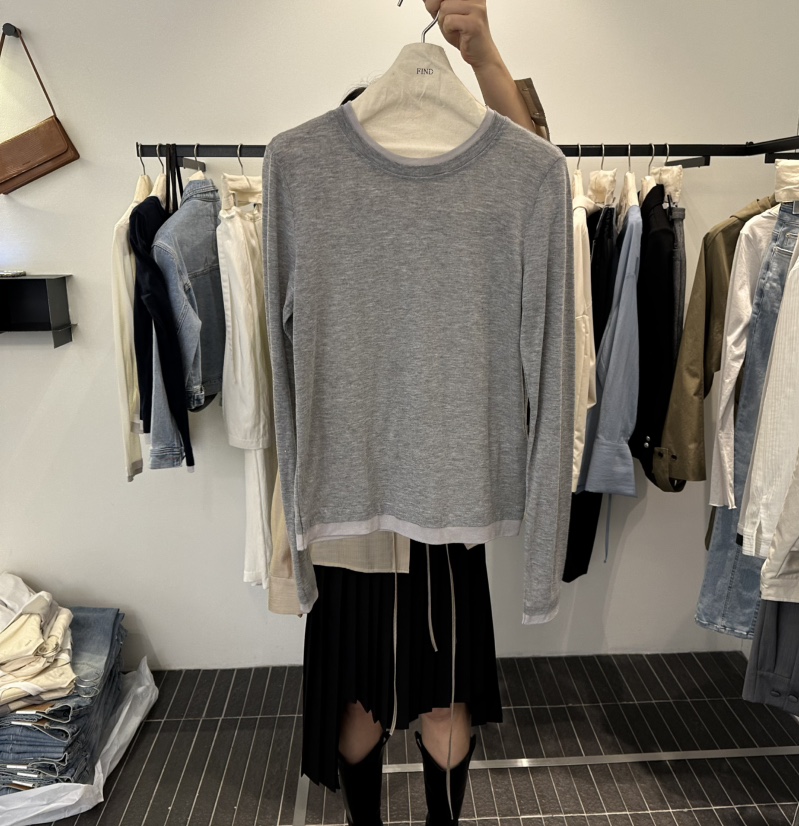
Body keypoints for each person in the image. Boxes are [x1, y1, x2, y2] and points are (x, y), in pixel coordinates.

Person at [300, 3, 550, 825]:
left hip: (414, 491)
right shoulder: (313, 178)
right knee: (391, 694)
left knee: (414, 694)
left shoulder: (485, 182)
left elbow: (534, 167)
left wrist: (482, 53)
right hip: (376, 494)